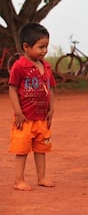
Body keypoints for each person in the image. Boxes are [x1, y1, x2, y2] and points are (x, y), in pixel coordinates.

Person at [8, 23, 56, 191]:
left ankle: (41, 177)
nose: (44, 51)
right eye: (41, 47)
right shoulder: (20, 66)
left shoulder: (47, 66)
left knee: (41, 149)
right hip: (25, 119)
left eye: (46, 47)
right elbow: (12, 89)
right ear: (26, 47)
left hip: (42, 119)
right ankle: (19, 180)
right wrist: (18, 112)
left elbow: (49, 88)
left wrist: (51, 109)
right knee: (21, 150)